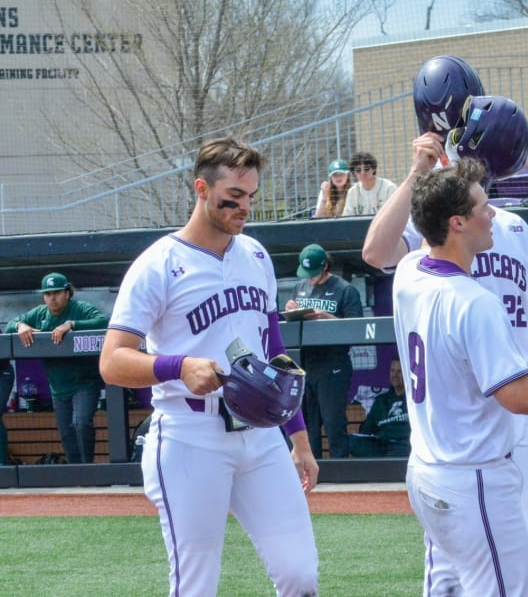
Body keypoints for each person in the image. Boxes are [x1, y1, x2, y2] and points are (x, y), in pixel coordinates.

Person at [362, 131, 528, 596]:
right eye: (483, 207)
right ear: (457, 222)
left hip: (434, 455)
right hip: (476, 453)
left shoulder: (410, 273)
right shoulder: (470, 298)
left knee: (453, 577)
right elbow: (517, 394)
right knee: (503, 582)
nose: (493, 214)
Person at [98, 137, 319, 596]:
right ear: (202, 188)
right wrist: (177, 366)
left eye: (251, 197)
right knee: (196, 585)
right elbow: (113, 361)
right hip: (189, 433)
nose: (245, 207)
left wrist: (297, 436)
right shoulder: (158, 264)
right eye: (234, 197)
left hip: (261, 435)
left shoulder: (256, 256)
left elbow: (273, 348)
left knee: (300, 575)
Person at [5, 273, 108, 464]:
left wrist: (71, 324)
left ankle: (88, 470)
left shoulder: (79, 308)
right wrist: (20, 326)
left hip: (84, 383)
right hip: (58, 387)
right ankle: (77, 473)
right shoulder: (40, 313)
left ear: (67, 293)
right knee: (66, 433)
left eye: (57, 293)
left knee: (81, 423)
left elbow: (103, 321)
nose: (52, 298)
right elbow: (10, 325)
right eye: (48, 293)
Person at [285, 243, 363, 458]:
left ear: (326, 266)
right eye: (307, 273)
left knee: (333, 420)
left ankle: (341, 471)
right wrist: (292, 310)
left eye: (314, 273)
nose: (310, 278)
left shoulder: (345, 289)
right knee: (309, 422)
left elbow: (358, 330)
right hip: (306, 362)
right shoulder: (300, 287)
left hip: (333, 364)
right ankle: (314, 470)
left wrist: (330, 319)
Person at [350, 356, 410, 457]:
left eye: (399, 371)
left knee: (402, 450)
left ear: (407, 374)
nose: (395, 375)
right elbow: (367, 429)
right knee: (352, 442)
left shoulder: (412, 400)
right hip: (382, 445)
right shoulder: (381, 400)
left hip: (403, 445)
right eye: (392, 370)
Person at [342, 151, 396, 216]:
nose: (363, 173)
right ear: (354, 173)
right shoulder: (352, 192)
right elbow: (347, 216)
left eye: (366, 169)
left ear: (373, 169)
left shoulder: (389, 188)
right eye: (358, 170)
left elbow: (395, 214)